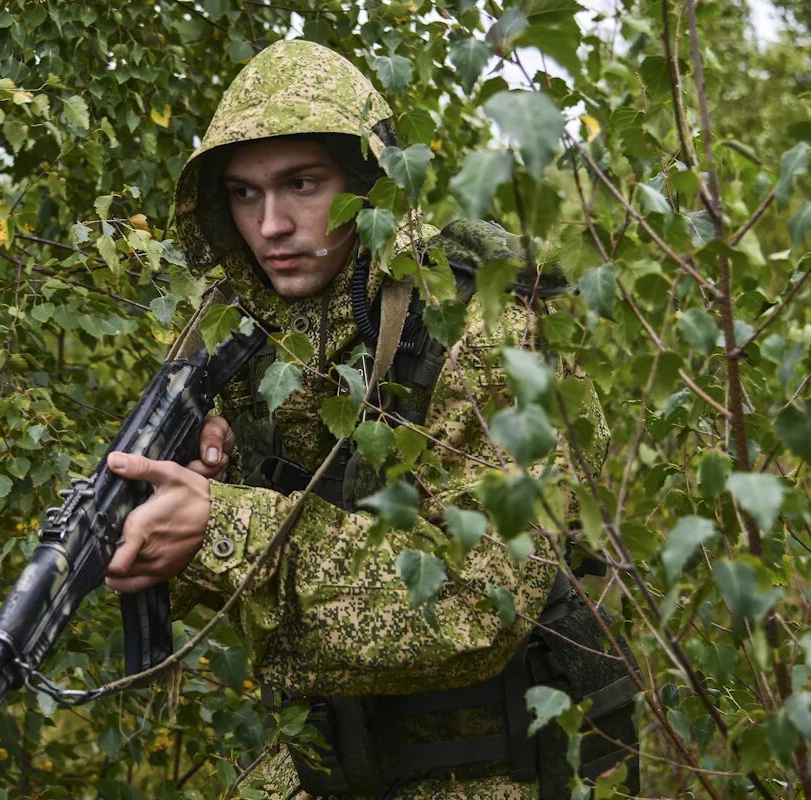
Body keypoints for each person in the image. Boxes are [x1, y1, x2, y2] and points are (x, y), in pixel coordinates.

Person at [103, 40, 636, 799]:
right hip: (343, 764)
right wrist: (172, 516)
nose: (272, 224)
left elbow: (474, 602)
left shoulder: (484, 325)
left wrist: (222, 526)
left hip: (510, 768)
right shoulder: (251, 342)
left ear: (373, 185)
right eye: (244, 194)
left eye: (303, 184)